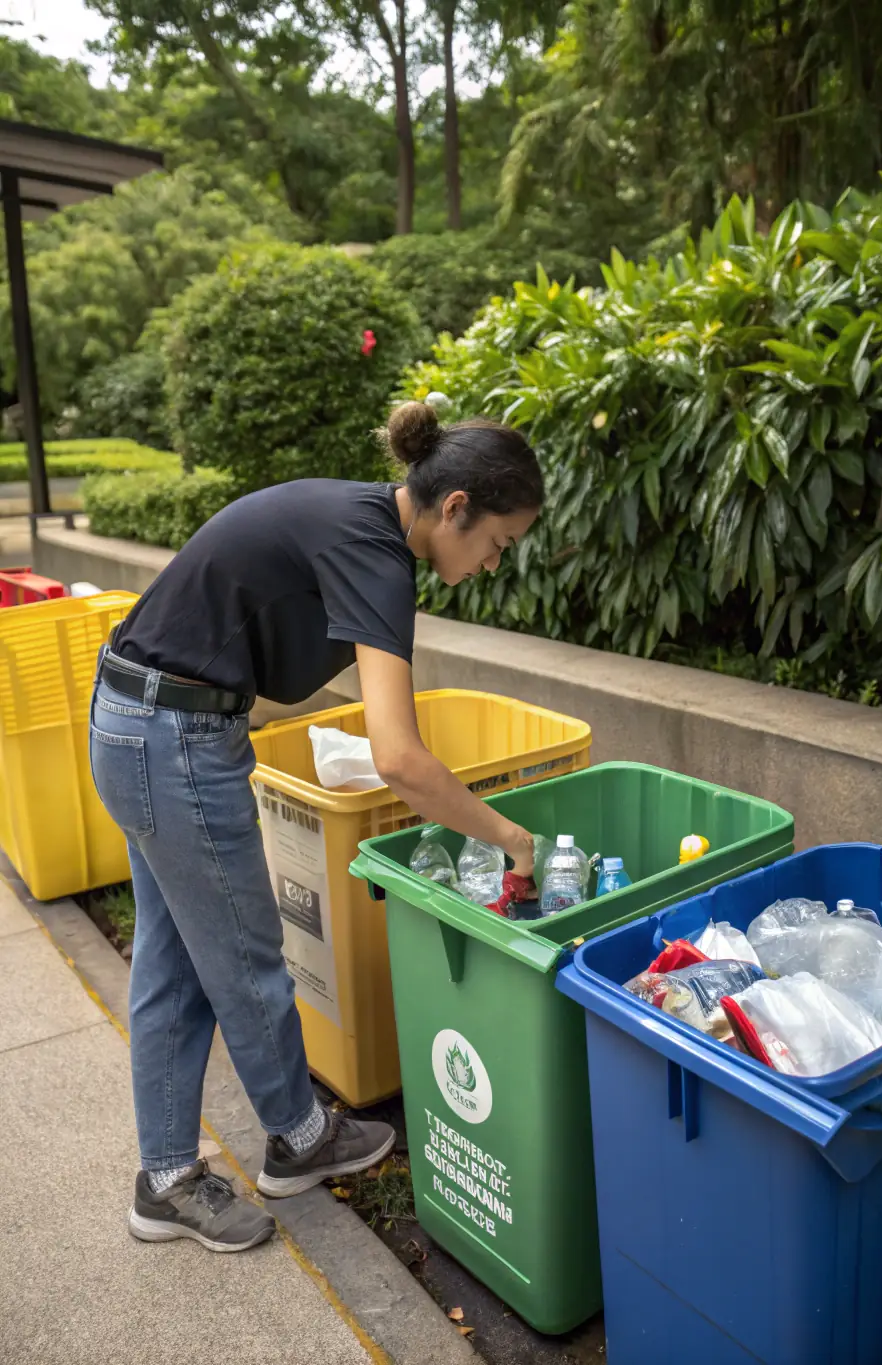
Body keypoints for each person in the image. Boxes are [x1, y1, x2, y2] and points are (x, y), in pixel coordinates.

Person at [89, 401, 543, 1252]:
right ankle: (298, 1140)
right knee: (245, 956)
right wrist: (510, 840)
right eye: (498, 542)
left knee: (175, 960)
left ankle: (165, 1178)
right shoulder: (375, 551)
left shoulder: (360, 518)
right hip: (172, 737)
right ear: (456, 508)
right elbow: (400, 758)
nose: (491, 562)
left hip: (137, 719)